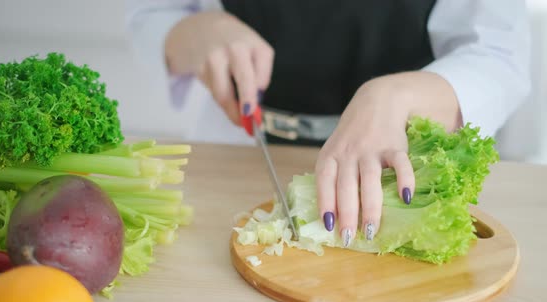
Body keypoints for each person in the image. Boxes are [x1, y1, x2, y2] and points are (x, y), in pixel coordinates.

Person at [125, 0, 531, 246]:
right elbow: (150, 14)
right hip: (238, 144)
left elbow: (499, 55)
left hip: (397, 162)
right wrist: (195, 29)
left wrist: (396, 97)